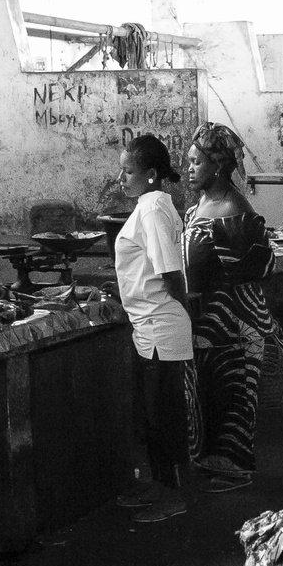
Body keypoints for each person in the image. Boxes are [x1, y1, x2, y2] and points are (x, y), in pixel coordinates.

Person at [182, 122, 281, 492]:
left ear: (218, 167)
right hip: (208, 325)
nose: (190, 168)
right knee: (209, 395)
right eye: (189, 161)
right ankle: (212, 462)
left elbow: (257, 269)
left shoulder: (234, 208)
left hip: (236, 327)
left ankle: (235, 469)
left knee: (234, 397)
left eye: (196, 162)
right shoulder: (200, 206)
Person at [113, 134, 193, 522]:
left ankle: (174, 495)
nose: (121, 178)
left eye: (128, 171)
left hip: (162, 327)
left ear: (150, 175)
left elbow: (171, 273)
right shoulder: (150, 205)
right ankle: (159, 486)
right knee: (152, 416)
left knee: (165, 420)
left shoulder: (154, 208)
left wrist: (184, 314)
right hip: (151, 327)